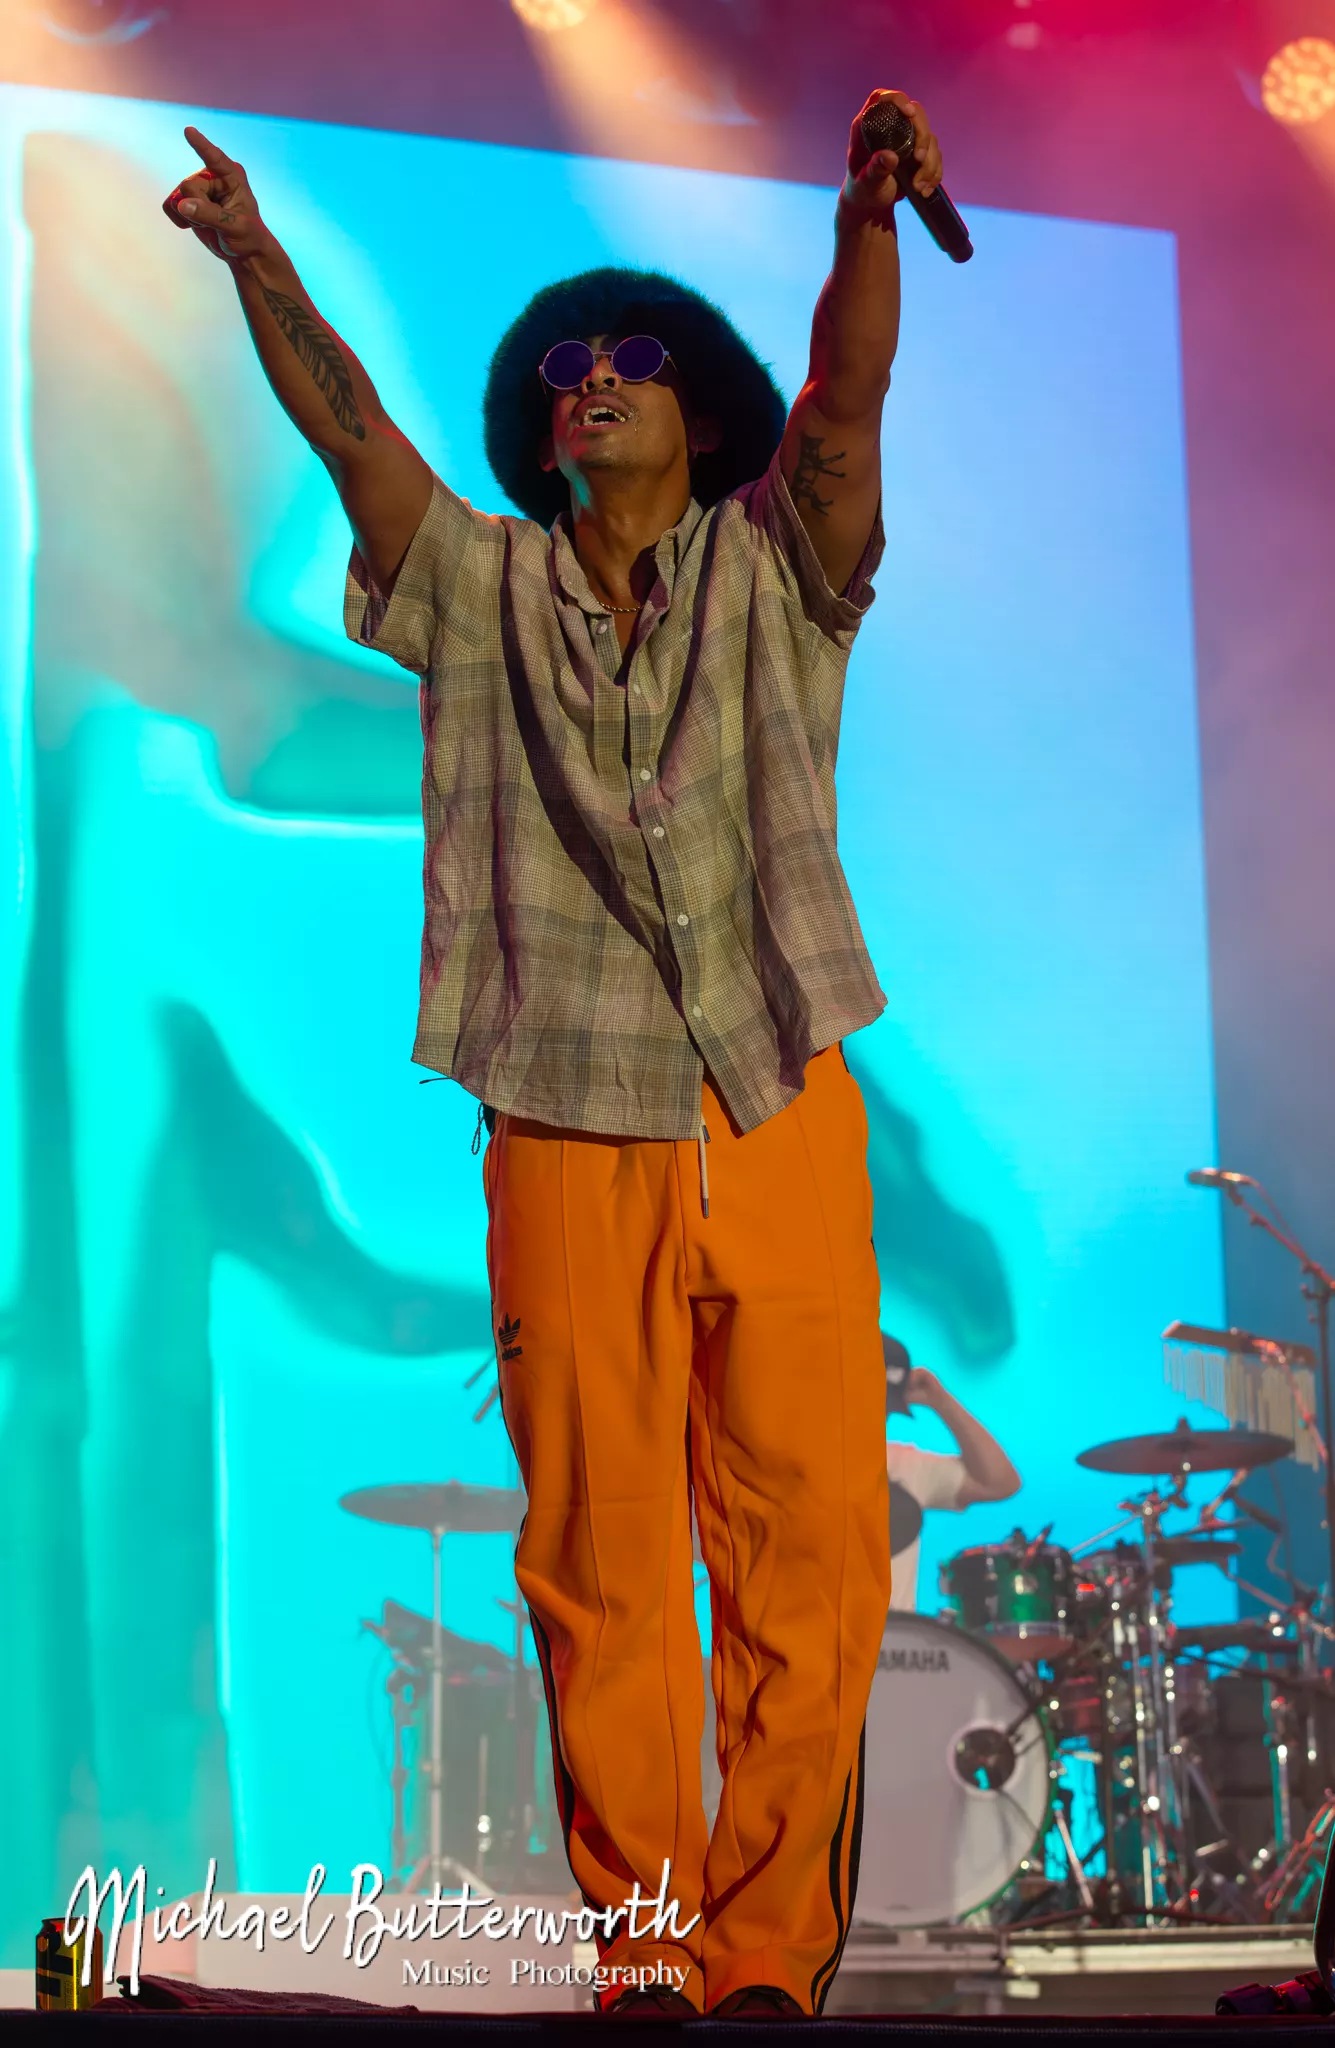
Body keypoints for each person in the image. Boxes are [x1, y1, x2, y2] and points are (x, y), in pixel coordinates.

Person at [162, 90, 945, 2020]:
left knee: (810, 1546)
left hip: (773, 1099)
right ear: (536, 424)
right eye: (567, 364)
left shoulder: (783, 564)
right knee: (599, 1558)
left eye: (636, 358)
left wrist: (862, 224)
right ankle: (649, 1958)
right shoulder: (481, 586)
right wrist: (257, 256)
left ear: (708, 415)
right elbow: (352, 431)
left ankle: (766, 1961)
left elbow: (849, 405)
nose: (594, 374)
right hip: (564, 1117)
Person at [882, 1336, 1022, 1613]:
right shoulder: (793, 1460)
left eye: (886, 1407)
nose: (882, 1416)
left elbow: (999, 1483)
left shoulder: (905, 1462)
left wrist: (941, 1401)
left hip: (895, 1637)